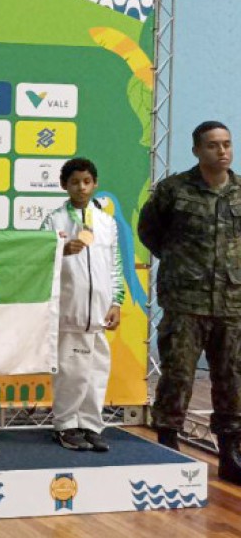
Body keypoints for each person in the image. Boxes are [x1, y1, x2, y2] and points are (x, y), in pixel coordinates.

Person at [139, 120, 241, 483]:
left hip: (231, 304)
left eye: (227, 144)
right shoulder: (174, 190)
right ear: (197, 150)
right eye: (213, 145)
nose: (223, 151)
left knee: (232, 378)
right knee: (178, 375)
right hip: (185, 301)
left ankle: (231, 453)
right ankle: (167, 445)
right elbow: (149, 231)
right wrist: (181, 265)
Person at [41, 158, 123, 452]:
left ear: (95, 183)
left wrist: (116, 302)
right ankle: (65, 425)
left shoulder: (107, 222)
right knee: (70, 374)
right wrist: (61, 250)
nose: (81, 187)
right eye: (75, 182)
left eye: (87, 181)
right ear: (65, 185)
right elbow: (39, 259)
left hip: (99, 315)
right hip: (69, 313)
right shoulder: (54, 221)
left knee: (96, 373)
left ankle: (91, 424)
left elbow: (115, 266)